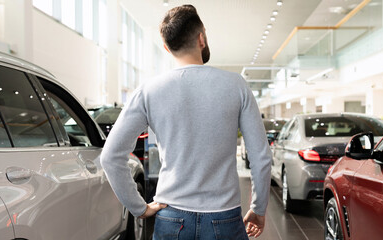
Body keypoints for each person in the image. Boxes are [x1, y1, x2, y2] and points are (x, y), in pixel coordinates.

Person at [100, 4, 272, 239]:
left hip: (171, 216)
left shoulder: (149, 91)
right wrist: (258, 208)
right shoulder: (236, 85)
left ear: (166, 48)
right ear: (201, 38)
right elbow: (261, 156)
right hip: (224, 216)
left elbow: (110, 157)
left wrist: (139, 208)